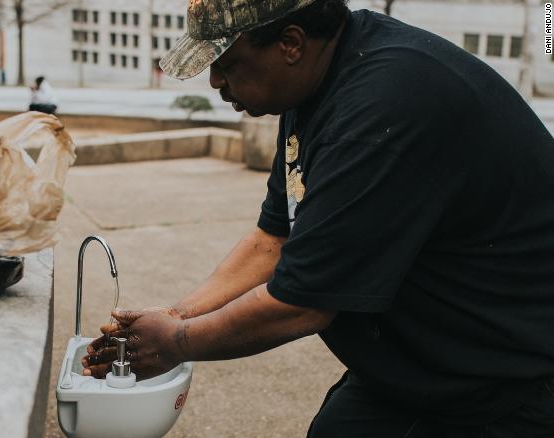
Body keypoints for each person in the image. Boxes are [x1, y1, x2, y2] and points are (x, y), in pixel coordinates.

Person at [81, 0, 554, 436]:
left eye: (227, 64)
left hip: (507, 374)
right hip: (420, 359)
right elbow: (275, 238)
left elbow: (304, 301)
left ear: (290, 44)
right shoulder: (313, 84)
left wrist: (177, 342)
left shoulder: (381, 109)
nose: (215, 83)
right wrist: (177, 314)